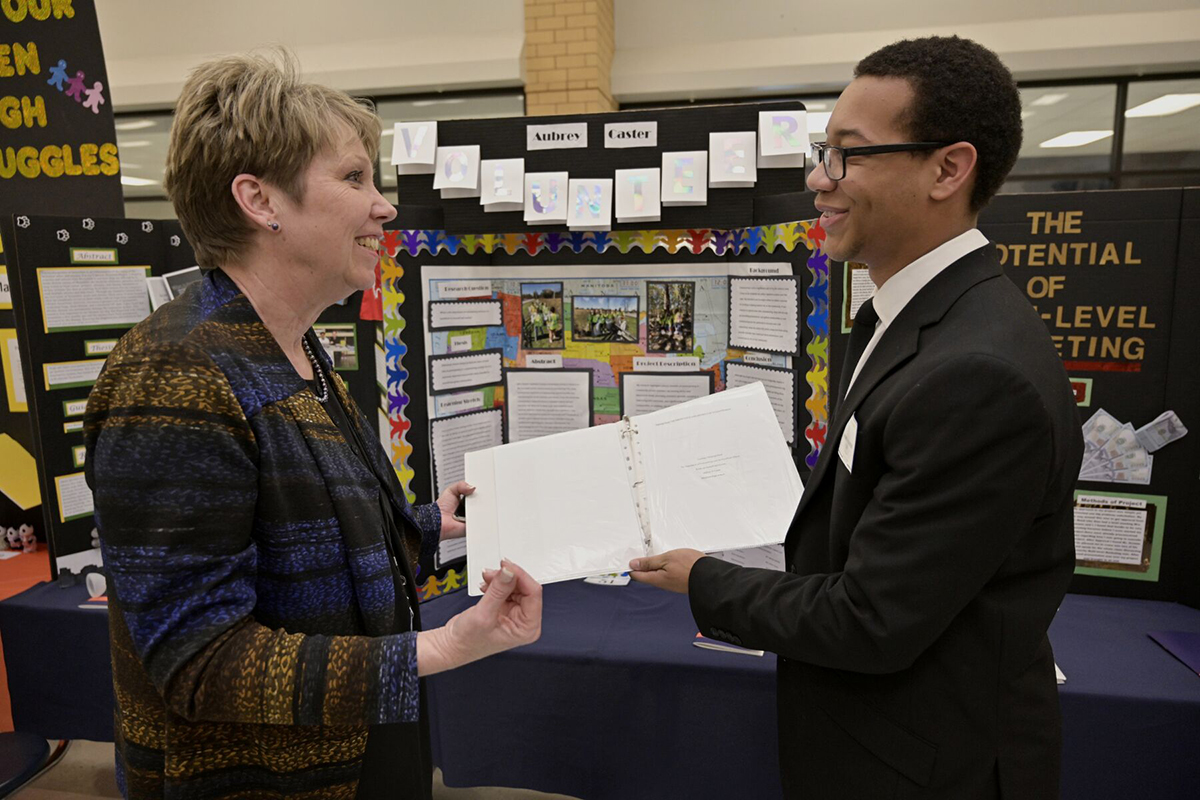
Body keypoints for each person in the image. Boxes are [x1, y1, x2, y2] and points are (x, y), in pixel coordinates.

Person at [630, 36, 1083, 799]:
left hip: (927, 765)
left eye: (849, 154)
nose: (817, 178)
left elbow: (873, 617)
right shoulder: (908, 318)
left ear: (949, 168)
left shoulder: (977, 373)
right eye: (822, 150)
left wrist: (702, 578)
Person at [84, 51, 541, 800]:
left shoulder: (295, 347)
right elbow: (198, 660)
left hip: (361, 755)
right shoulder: (175, 375)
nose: (385, 206)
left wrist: (426, 526)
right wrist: (444, 645)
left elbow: (300, 540)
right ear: (260, 200)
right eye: (355, 178)